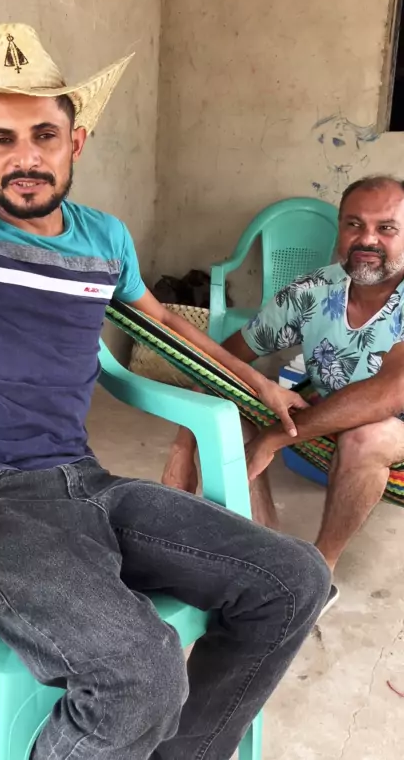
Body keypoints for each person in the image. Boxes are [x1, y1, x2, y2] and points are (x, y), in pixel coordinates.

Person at [0, 23, 329, 760]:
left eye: (45, 135)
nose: (26, 158)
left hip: (82, 480)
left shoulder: (104, 239)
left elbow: (166, 324)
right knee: (139, 673)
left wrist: (255, 383)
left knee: (293, 578)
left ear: (75, 144)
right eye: (2, 139)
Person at [164, 174, 404, 610]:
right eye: (354, 224)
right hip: (330, 410)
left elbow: (387, 395)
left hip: (391, 427)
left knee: (367, 435)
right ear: (339, 230)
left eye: (386, 227)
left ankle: (318, 573)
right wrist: (184, 442)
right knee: (232, 403)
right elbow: (226, 361)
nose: (367, 239)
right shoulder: (313, 292)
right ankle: (269, 551)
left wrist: (273, 437)